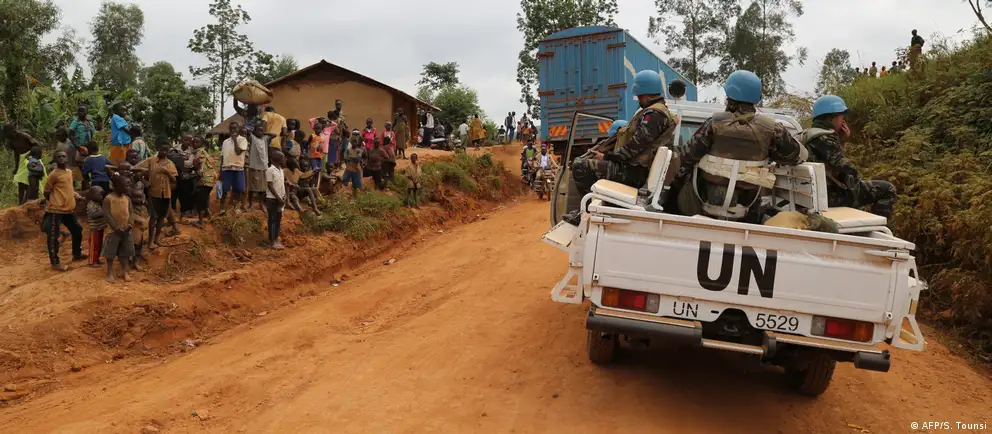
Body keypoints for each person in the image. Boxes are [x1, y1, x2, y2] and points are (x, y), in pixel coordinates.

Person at [679, 70, 804, 222]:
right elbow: (794, 156)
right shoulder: (773, 129)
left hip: (706, 202)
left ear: (729, 97)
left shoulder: (713, 124)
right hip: (748, 207)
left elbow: (686, 158)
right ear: (757, 99)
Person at [564, 71, 677, 224]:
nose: (638, 98)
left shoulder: (654, 114)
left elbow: (635, 146)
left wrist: (607, 157)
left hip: (634, 173)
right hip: (635, 170)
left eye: (638, 95)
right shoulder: (656, 112)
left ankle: (587, 214)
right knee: (587, 164)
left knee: (580, 166)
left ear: (643, 93)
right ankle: (594, 210)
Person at [802, 95, 897, 218]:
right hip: (829, 197)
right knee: (887, 189)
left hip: (812, 194)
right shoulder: (825, 138)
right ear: (833, 118)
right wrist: (859, 179)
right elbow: (847, 169)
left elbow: (830, 160)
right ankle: (878, 227)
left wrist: (840, 139)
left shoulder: (808, 135)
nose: (843, 121)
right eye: (842, 117)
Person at [42, 151, 85, 271]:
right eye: (58, 157)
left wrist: (77, 196)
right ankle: (55, 262)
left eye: (63, 156)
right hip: (56, 210)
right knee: (53, 237)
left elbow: (69, 188)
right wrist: (55, 201)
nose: (61, 158)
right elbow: (46, 191)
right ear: (55, 160)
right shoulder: (54, 174)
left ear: (67, 158)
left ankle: (77, 253)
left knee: (77, 229)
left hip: (68, 210)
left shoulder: (69, 172)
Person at [139, 138, 178, 249]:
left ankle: (157, 239)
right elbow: (138, 171)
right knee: (154, 217)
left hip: (166, 194)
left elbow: (174, 180)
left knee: (161, 217)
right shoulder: (151, 161)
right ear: (158, 149)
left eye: (166, 150)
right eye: (162, 150)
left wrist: (167, 172)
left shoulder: (170, 164)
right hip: (153, 193)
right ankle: (150, 241)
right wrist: (144, 181)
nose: (164, 152)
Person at [101, 174, 134, 282]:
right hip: (113, 231)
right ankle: (110, 272)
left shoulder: (127, 199)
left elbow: (131, 213)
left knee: (125, 253)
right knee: (110, 253)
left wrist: (129, 225)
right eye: (126, 185)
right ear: (117, 186)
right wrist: (116, 228)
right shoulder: (108, 199)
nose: (128, 187)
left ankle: (124, 271)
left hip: (126, 231)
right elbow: (107, 215)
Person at [219, 121, 249, 215]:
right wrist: (220, 171)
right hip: (226, 169)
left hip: (238, 168)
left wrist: (235, 140)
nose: (233, 130)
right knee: (224, 189)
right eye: (231, 128)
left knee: (239, 189)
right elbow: (222, 157)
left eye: (235, 128)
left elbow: (238, 152)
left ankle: (237, 208)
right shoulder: (225, 142)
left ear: (238, 129)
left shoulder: (243, 140)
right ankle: (222, 209)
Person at [265, 150, 288, 250]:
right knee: (272, 220)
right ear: (278, 159)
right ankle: (272, 241)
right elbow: (270, 186)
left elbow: (282, 185)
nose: (284, 160)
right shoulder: (270, 170)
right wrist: (278, 198)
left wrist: (284, 196)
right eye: (283, 158)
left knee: (278, 220)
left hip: (280, 199)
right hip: (272, 199)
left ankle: (276, 239)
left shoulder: (281, 170)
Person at [246, 122, 271, 212]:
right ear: (254, 131)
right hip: (254, 166)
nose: (261, 132)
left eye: (262, 131)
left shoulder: (265, 139)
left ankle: (261, 203)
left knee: (263, 188)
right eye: (259, 130)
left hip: (264, 166)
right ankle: (250, 204)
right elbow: (247, 131)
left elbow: (274, 135)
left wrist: (264, 133)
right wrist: (253, 132)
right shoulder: (252, 138)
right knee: (252, 187)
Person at [191, 136, 214, 228]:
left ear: (202, 144)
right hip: (210, 180)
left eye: (197, 142)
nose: (194, 144)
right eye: (193, 142)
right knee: (203, 199)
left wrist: (193, 171)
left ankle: (201, 223)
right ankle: (211, 217)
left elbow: (199, 170)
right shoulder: (205, 152)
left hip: (204, 180)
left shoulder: (199, 152)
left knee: (200, 200)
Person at [84, 186, 107, 268]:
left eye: (102, 195)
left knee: (99, 245)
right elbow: (93, 215)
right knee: (94, 246)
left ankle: (96, 259)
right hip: (94, 229)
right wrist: (104, 212)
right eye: (99, 195)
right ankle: (92, 261)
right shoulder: (91, 204)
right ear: (92, 195)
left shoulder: (98, 203)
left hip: (100, 227)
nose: (101, 196)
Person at [129, 190, 150, 271]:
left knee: (139, 248)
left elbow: (146, 217)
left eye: (139, 197)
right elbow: (129, 217)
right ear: (131, 198)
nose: (138, 199)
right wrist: (138, 219)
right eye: (135, 197)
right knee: (131, 248)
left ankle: (136, 262)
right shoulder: (130, 208)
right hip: (133, 232)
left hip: (141, 232)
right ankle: (129, 263)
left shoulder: (144, 208)